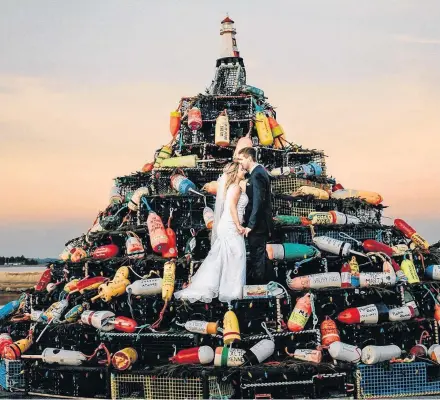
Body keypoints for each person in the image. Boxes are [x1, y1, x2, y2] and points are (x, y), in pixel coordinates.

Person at [174, 162, 248, 303]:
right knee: (237, 255)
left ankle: (226, 289)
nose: (244, 171)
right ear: (234, 172)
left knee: (224, 257)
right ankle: (232, 292)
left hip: (226, 225)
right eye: (241, 169)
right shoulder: (236, 188)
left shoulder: (231, 187)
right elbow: (232, 206)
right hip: (231, 225)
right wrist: (238, 225)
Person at [236, 147, 274, 284]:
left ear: (249, 158)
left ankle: (260, 288)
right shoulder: (258, 172)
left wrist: (251, 225)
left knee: (257, 257)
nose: (239, 163)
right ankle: (268, 282)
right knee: (261, 256)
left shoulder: (257, 174)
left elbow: (258, 201)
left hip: (258, 225)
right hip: (261, 223)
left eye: (241, 159)